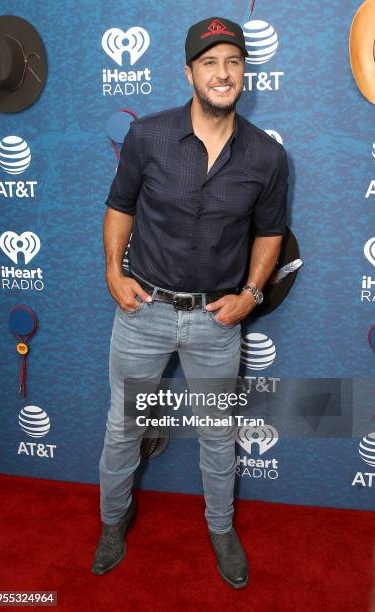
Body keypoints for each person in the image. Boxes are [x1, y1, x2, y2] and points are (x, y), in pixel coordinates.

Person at [91, 16, 289, 589]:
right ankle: (111, 521)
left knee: (216, 432)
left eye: (232, 63)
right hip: (143, 313)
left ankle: (221, 528)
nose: (222, 73)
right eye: (210, 63)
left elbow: (271, 232)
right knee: (124, 427)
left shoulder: (266, 157)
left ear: (245, 73)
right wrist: (113, 269)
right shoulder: (148, 135)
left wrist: (251, 294)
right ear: (189, 72)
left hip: (214, 322)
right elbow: (120, 205)